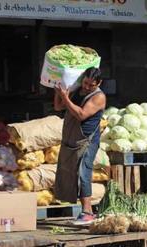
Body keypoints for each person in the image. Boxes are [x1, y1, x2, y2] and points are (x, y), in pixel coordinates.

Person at [53, 67, 106, 225]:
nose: (87, 87)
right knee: (70, 172)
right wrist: (59, 91)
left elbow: (81, 114)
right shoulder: (77, 91)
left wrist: (66, 98)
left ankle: (88, 212)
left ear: (99, 83)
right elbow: (58, 107)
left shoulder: (99, 97)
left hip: (87, 141)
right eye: (85, 83)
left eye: (91, 85)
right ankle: (82, 209)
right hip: (73, 139)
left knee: (84, 172)